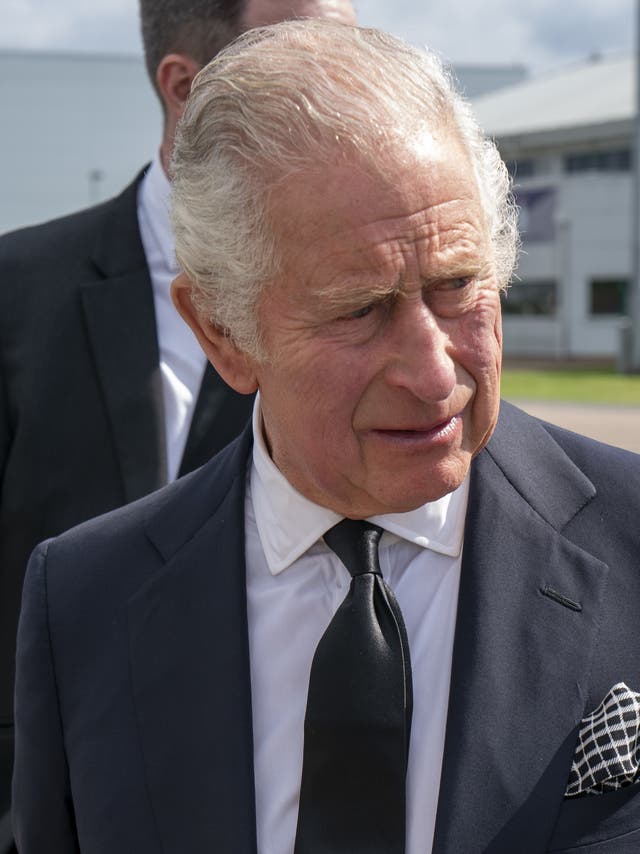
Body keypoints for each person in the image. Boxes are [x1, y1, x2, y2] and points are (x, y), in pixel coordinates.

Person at [13, 19, 640, 854]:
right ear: (223, 334)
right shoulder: (84, 604)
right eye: (361, 309)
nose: (431, 369)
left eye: (458, 285)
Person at [0, 1, 356, 850]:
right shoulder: (15, 297)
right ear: (186, 88)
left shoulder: (382, 308)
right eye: (313, 57)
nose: (356, 85)